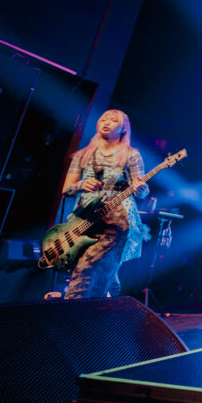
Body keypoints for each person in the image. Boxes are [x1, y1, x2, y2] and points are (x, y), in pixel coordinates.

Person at [61, 109, 150, 299]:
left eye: (113, 120)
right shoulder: (83, 155)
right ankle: (103, 307)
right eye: (103, 119)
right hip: (86, 218)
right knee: (103, 273)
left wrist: (141, 188)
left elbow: (141, 191)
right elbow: (66, 189)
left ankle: (70, 310)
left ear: (123, 128)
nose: (107, 122)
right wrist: (81, 184)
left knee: (87, 268)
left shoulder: (131, 155)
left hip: (116, 220)